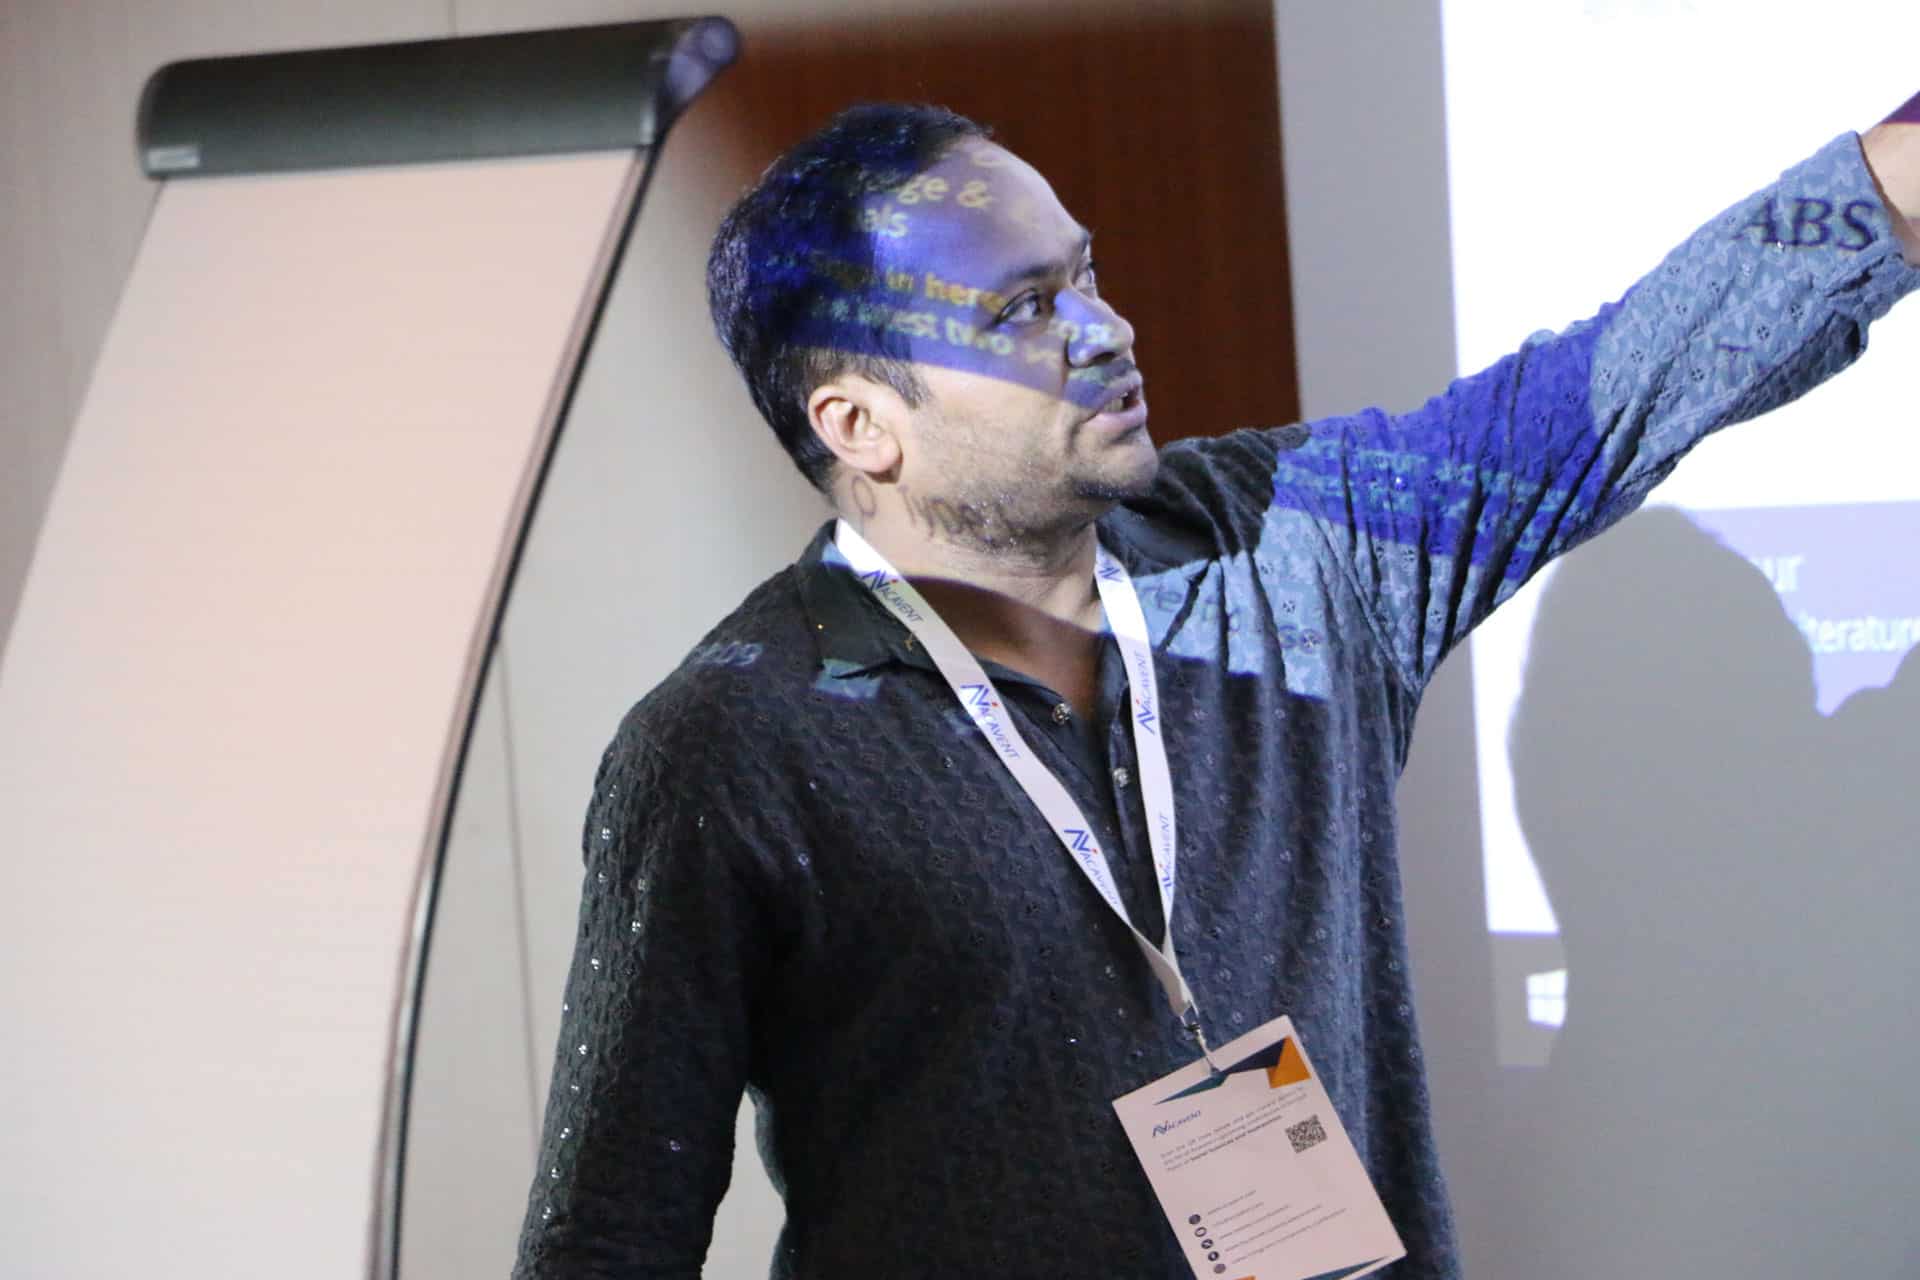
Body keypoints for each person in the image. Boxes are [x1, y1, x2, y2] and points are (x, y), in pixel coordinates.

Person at [511, 100, 1920, 1279]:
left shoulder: (1296, 548)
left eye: (1085, 273)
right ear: (861, 423)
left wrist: (1885, 180)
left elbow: (1628, 378)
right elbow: (610, 1235)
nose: (1107, 328)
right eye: (1025, 308)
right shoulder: (733, 749)